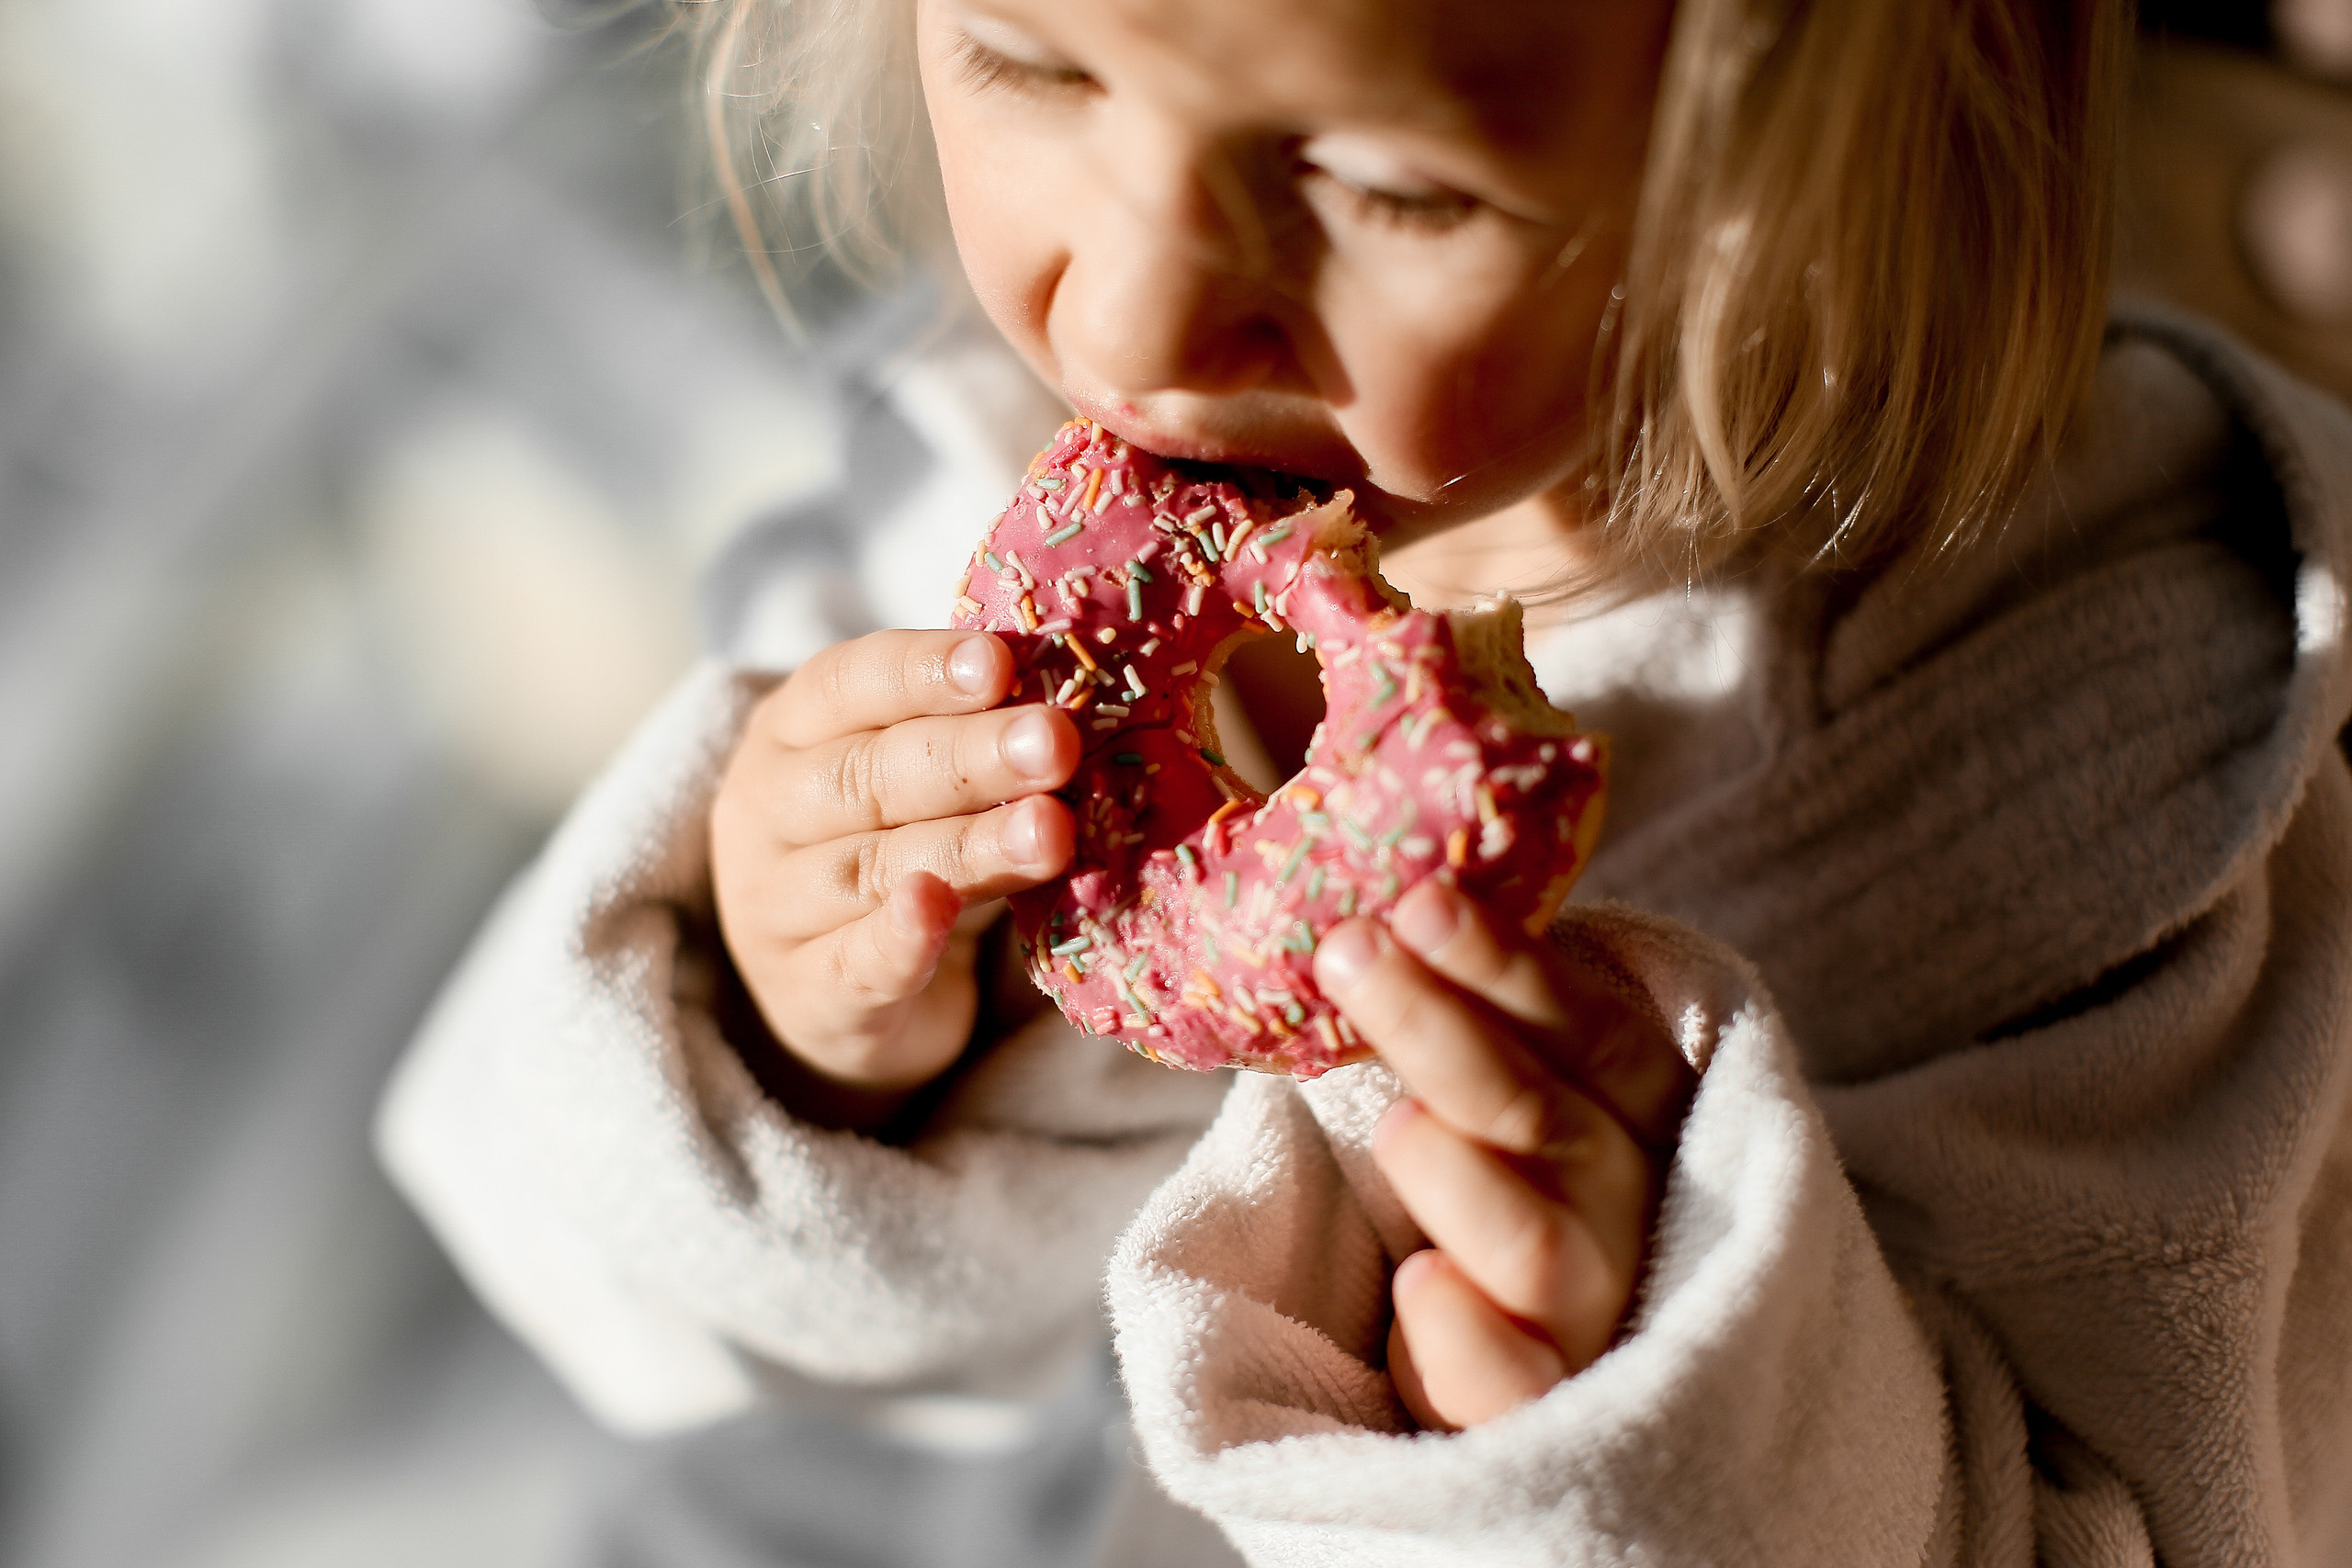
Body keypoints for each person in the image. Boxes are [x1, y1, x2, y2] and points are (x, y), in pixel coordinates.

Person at [379, 0, 2352, 1562]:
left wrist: (1645, 1420)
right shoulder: (967, 481)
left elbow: (2174, 1510)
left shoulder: (2099, 734)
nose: (1133, 316)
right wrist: (775, 1040)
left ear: (1812, 162)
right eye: (1026, 58)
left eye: (1395, 187)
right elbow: (566, 1266)